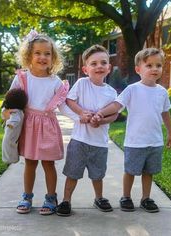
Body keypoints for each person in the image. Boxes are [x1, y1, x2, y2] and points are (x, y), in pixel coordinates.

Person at [2, 30, 77, 215]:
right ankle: (27, 196)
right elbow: (9, 100)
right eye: (38, 53)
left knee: (48, 164)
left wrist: (79, 118)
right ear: (29, 55)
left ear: (53, 58)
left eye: (47, 53)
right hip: (28, 125)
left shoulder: (55, 81)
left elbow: (63, 106)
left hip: (48, 126)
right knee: (30, 163)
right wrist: (4, 112)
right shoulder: (22, 78)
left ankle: (51, 197)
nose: (42, 57)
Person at [93, 47, 171, 213]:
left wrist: (170, 132)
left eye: (158, 65)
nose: (154, 69)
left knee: (149, 172)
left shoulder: (162, 92)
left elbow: (165, 112)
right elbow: (117, 105)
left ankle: (146, 198)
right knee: (130, 171)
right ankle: (126, 197)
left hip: (155, 141)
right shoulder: (133, 89)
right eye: (149, 65)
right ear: (138, 69)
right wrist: (101, 112)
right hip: (135, 141)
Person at [56, 44, 118, 216]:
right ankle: (66, 200)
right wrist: (81, 113)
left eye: (103, 62)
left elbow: (115, 115)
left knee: (97, 174)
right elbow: (70, 101)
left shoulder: (112, 93)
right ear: (85, 69)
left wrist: (102, 120)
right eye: (94, 63)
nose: (99, 66)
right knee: (72, 172)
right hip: (80, 140)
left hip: (100, 142)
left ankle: (99, 198)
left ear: (109, 68)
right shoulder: (82, 84)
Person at [1, 88, 28, 164]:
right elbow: (5, 116)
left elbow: (14, 121)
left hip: (11, 135)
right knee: (9, 147)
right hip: (11, 135)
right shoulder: (16, 111)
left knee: (9, 147)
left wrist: (9, 124)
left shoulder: (16, 112)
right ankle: (10, 160)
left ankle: (10, 160)